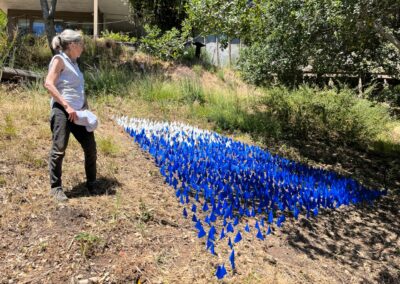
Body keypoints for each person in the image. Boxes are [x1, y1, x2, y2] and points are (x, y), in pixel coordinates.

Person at [44, 29, 97, 202]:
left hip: (78, 112)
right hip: (62, 110)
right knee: (59, 149)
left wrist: (86, 109)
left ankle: (92, 183)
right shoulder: (59, 59)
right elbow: (49, 84)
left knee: (90, 147)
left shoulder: (74, 63)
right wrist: (66, 106)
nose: (83, 47)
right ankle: (56, 188)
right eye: (81, 44)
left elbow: (78, 89)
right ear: (72, 45)